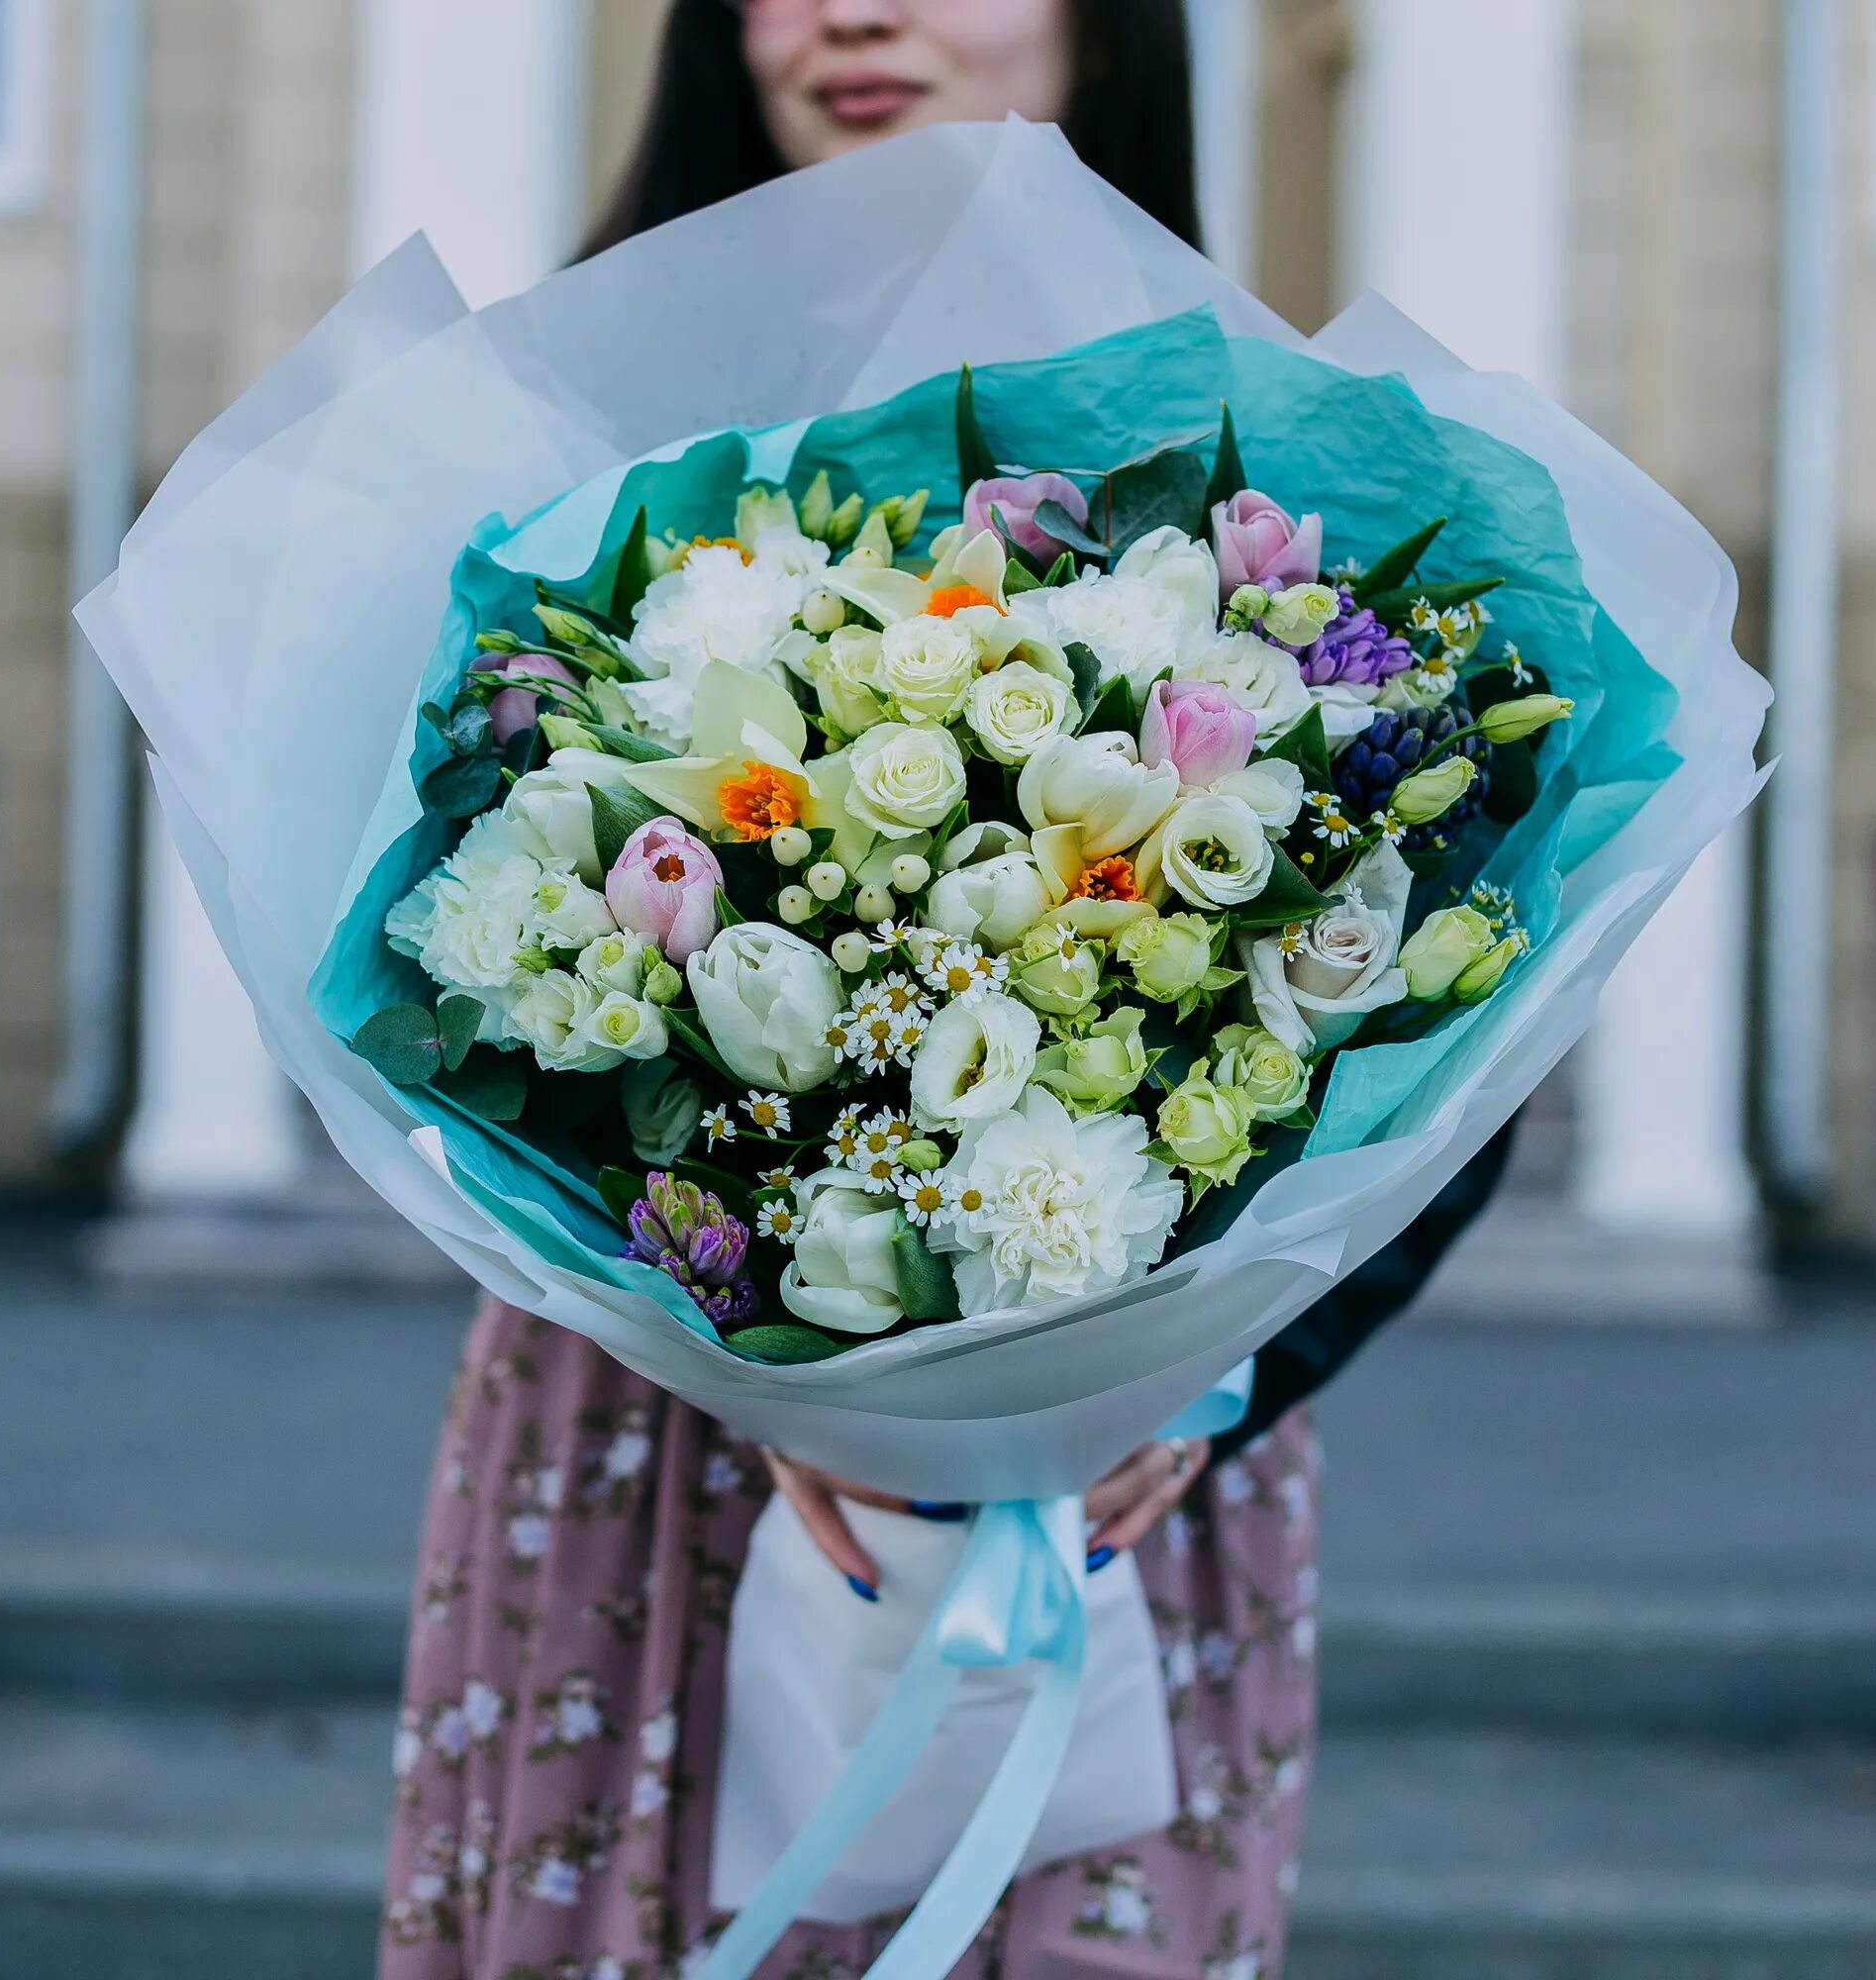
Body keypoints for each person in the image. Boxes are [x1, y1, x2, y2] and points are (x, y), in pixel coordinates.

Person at [381, 6, 1512, 1977]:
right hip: (657, 1447)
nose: (855, 11)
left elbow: (1452, 1020)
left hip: (1114, 1486)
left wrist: (1218, 1376)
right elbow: (440, 941)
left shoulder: (1265, 486)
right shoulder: (564, 447)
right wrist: (714, 1308)